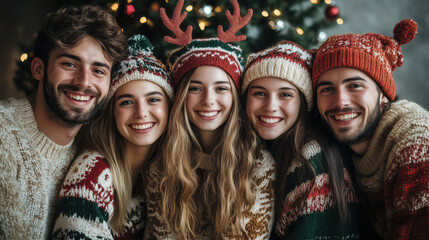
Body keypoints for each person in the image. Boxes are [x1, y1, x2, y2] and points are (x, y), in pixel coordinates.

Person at [144, 0, 275, 239]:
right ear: (181, 97)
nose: (208, 100)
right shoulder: (160, 168)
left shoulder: (257, 165)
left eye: (221, 89)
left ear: (235, 97)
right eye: (195, 88)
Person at [0, 5, 127, 239]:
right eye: (69, 64)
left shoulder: (93, 152)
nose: (83, 82)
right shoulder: (3, 132)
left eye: (98, 70)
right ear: (39, 69)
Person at [312, 19, 428, 239]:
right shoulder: (334, 149)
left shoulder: (417, 144)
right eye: (327, 89)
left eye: (355, 85)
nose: (340, 101)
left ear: (383, 95)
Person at [51, 34, 173, 239]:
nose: (141, 112)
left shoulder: (166, 170)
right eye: (126, 102)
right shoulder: (91, 174)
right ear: (112, 112)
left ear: (169, 108)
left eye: (153, 100)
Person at [242, 41, 360, 239]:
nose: (271, 106)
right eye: (260, 93)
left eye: (285, 95)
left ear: (302, 104)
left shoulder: (310, 164)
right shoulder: (257, 149)